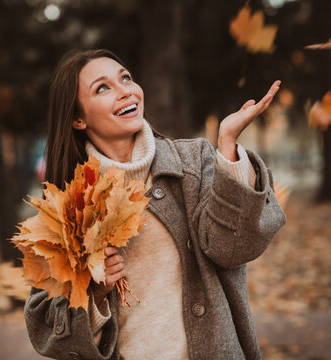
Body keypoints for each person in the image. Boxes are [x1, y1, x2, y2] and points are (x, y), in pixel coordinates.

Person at [24, 49, 286, 360]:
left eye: (126, 78)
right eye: (103, 88)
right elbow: (46, 331)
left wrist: (227, 148)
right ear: (78, 118)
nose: (125, 91)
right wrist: (94, 293)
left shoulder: (193, 163)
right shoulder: (68, 209)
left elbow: (233, 249)